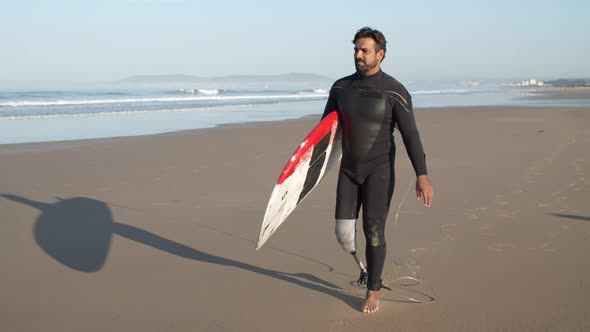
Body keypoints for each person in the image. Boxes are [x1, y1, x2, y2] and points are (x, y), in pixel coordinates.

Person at [322, 27, 434, 313]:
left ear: (380, 55)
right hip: (349, 169)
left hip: (379, 169)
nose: (358, 55)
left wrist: (422, 175)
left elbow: (411, 134)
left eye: (365, 50)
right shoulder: (340, 88)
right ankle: (363, 269)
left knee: (374, 231)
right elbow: (326, 131)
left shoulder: (394, 91)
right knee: (343, 234)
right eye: (356, 50)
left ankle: (373, 290)